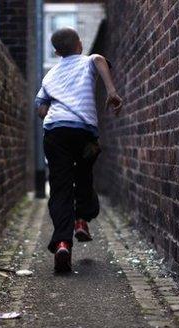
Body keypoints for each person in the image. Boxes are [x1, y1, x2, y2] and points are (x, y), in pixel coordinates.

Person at [35, 27, 123, 272]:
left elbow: (41, 110)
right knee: (84, 174)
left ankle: (63, 242)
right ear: (80, 46)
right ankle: (82, 219)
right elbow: (98, 59)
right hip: (85, 135)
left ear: (56, 52)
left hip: (56, 134)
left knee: (60, 186)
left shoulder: (50, 76)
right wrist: (111, 91)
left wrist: (57, 108)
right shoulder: (88, 61)